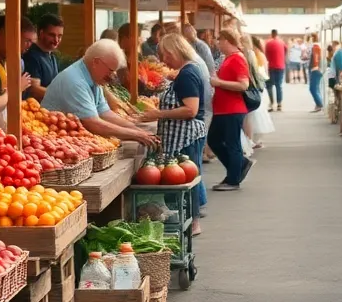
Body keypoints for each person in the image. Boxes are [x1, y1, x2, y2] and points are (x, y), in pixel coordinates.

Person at [137, 34, 208, 234]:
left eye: (164, 55)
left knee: (187, 180)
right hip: (183, 135)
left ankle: (193, 222)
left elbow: (190, 110)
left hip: (186, 136)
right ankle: (188, 218)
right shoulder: (186, 71)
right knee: (186, 179)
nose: (164, 61)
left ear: (173, 51)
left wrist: (158, 113)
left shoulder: (187, 74)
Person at [42, 39, 159, 146]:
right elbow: (93, 123)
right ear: (96, 62)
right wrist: (136, 134)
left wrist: (137, 130)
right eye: (111, 70)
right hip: (52, 142)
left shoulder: (92, 77)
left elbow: (105, 113)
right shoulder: (75, 80)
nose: (112, 76)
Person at [207, 30, 253, 191]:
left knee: (232, 144)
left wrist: (219, 83)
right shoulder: (229, 59)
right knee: (214, 140)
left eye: (219, 40)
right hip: (223, 108)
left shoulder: (238, 59)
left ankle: (233, 179)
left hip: (232, 109)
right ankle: (238, 165)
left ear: (226, 40)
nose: (217, 44)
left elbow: (243, 85)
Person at [0, 16, 37, 98]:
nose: (29, 46)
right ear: (2, 35)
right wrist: (18, 88)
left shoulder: (9, 61)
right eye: (26, 40)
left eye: (31, 42)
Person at [244, 36, 274, 150]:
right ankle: (253, 139)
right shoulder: (257, 54)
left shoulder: (255, 55)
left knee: (253, 116)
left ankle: (252, 140)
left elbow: (261, 72)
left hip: (256, 87)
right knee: (254, 115)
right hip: (259, 87)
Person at [24, 13, 64, 100]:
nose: (56, 40)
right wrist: (62, 97)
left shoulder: (52, 55)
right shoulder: (32, 56)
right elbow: (34, 90)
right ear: (41, 33)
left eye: (60, 36)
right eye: (52, 35)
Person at [263, 30, 287, 110]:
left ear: (272, 34)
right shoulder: (282, 43)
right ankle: (279, 104)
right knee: (278, 85)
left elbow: (265, 54)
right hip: (280, 66)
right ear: (277, 34)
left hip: (271, 67)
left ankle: (271, 103)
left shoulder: (268, 43)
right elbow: (286, 51)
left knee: (269, 85)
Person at [306, 33, 324, 112]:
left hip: (315, 69)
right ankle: (318, 104)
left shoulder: (315, 47)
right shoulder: (316, 46)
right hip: (315, 69)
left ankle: (319, 104)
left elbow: (316, 58)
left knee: (313, 88)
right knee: (316, 88)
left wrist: (315, 67)